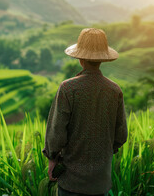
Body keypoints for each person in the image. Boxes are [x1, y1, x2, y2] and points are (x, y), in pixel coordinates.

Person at [42, 28, 128, 196]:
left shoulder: (68, 88)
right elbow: (121, 136)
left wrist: (52, 158)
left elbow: (56, 133)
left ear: (80, 58)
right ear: (102, 59)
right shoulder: (114, 90)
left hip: (71, 181)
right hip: (99, 182)